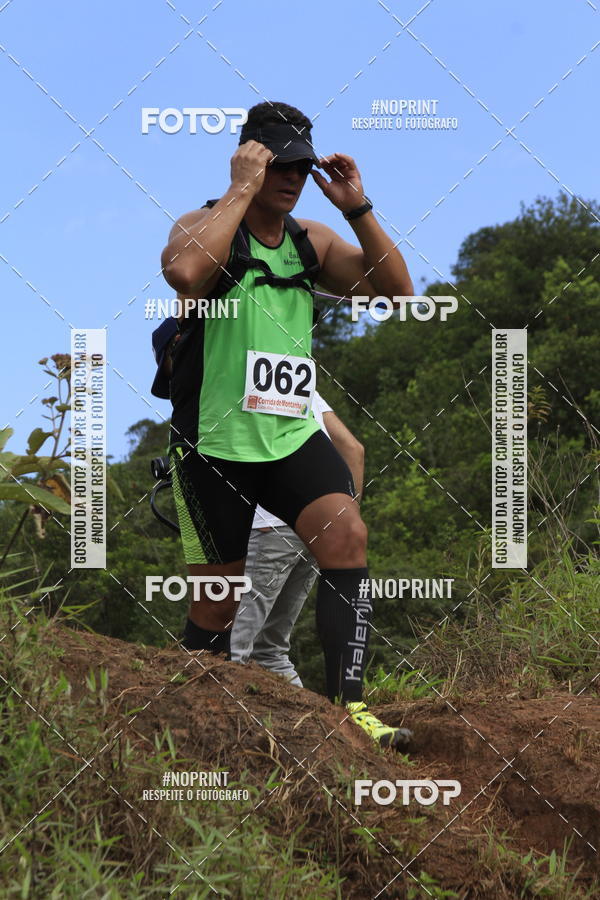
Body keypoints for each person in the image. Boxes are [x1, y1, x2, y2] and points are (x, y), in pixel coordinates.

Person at [160, 100, 414, 749]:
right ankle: (192, 726)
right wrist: (240, 190)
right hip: (215, 444)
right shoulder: (204, 224)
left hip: (291, 434)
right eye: (277, 163)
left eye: (301, 165)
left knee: (347, 536)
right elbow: (185, 272)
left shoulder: (312, 241)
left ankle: (350, 713)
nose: (292, 177)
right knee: (218, 602)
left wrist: (356, 207)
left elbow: (398, 294)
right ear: (249, 156)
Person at [231, 392, 363, 686]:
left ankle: (220, 731)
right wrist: (342, 522)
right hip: (317, 532)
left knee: (229, 649)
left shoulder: (231, 380)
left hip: (267, 526)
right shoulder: (301, 384)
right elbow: (353, 449)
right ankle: (317, 732)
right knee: (270, 651)